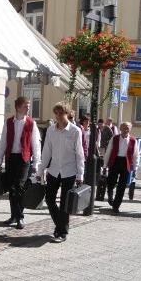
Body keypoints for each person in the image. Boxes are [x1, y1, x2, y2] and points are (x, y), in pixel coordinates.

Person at [38, 102, 85, 243]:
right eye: (56, 113)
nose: (58, 116)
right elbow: (46, 151)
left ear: (67, 114)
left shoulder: (75, 131)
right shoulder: (51, 130)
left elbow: (79, 154)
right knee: (49, 199)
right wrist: (40, 170)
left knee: (65, 203)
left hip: (69, 171)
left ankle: (62, 232)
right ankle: (61, 226)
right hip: (53, 170)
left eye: (61, 113)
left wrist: (80, 174)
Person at [0, 96, 42, 229]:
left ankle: (20, 217)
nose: (28, 108)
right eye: (25, 106)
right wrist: (0, 159)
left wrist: (36, 164)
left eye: (28, 106)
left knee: (19, 187)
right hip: (11, 158)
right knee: (11, 188)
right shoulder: (9, 122)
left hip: (24, 159)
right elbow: (3, 141)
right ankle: (13, 216)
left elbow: (36, 144)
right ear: (18, 107)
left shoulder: (31, 123)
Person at [103, 122, 139, 214]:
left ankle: (116, 205)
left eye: (127, 128)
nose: (125, 130)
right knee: (111, 182)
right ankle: (110, 197)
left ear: (130, 129)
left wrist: (135, 168)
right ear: (120, 129)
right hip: (115, 161)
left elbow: (136, 155)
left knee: (122, 186)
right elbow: (108, 152)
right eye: (124, 128)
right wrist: (105, 165)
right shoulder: (114, 138)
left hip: (126, 163)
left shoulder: (133, 140)